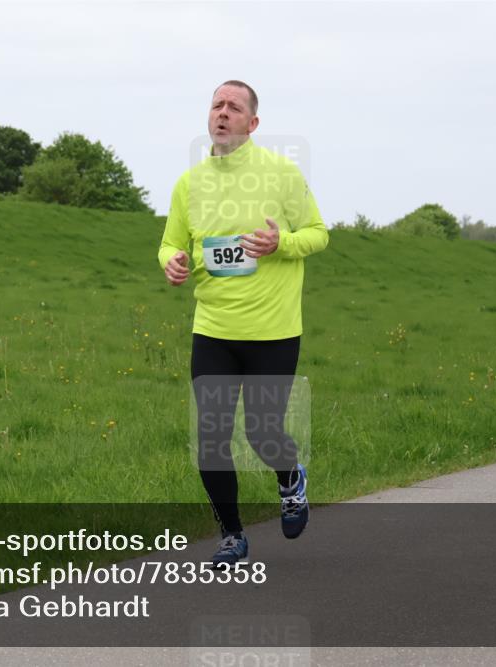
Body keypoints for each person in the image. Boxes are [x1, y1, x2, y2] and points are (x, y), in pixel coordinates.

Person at [158, 80, 329, 567]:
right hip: (212, 327)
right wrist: (171, 261)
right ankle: (232, 535)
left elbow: (318, 234)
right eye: (216, 105)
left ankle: (289, 478)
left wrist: (282, 246)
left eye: (234, 107)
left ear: (253, 124)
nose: (223, 112)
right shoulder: (189, 184)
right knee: (211, 438)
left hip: (272, 329)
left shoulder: (281, 173)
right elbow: (171, 243)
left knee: (262, 432)